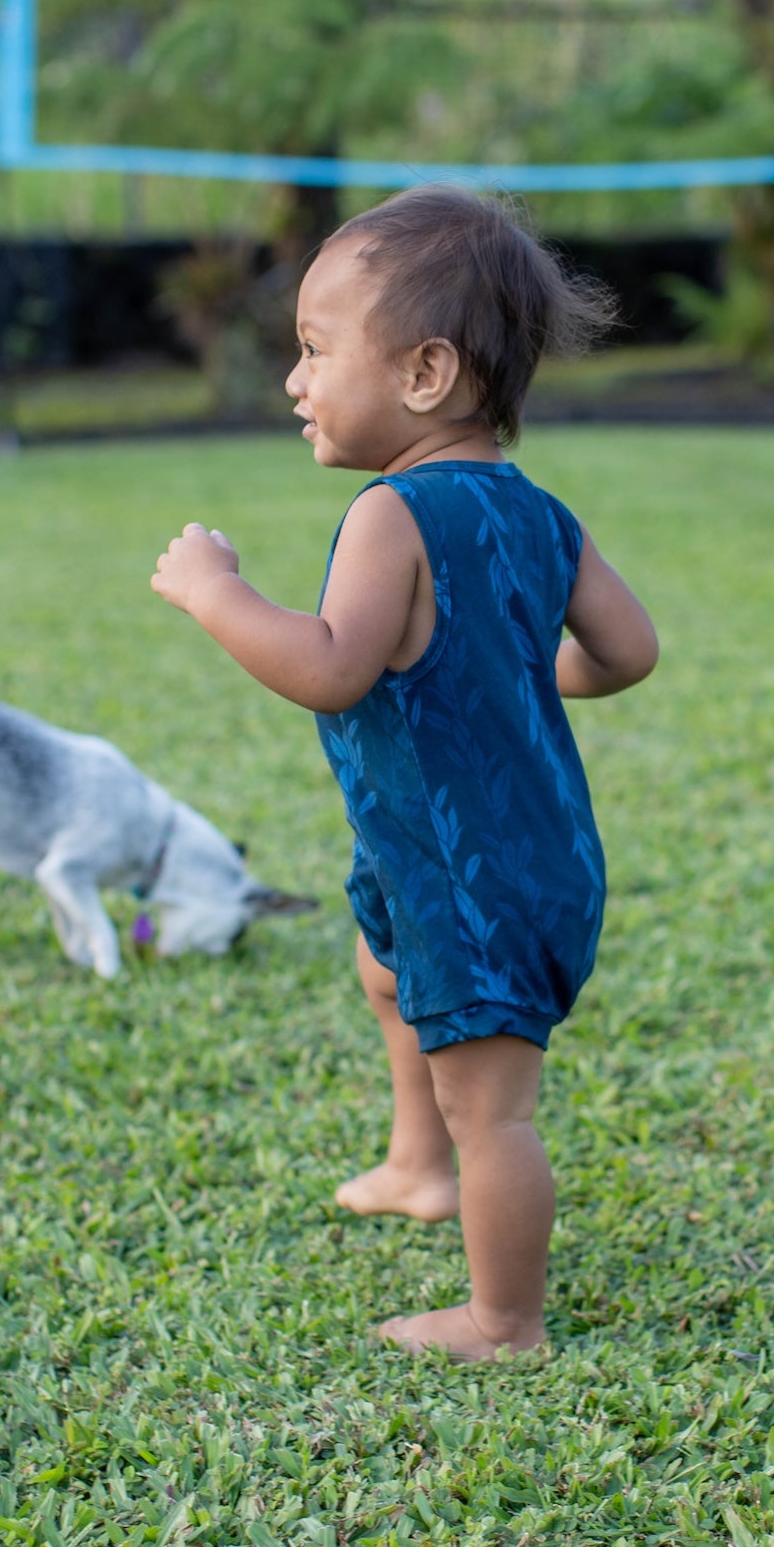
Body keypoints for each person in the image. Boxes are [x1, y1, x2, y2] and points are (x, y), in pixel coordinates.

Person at [151, 187, 658, 1359]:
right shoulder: (541, 515)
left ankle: (502, 1317)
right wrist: (519, 680)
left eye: (317, 351)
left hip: (468, 869)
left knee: (498, 1108)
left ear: (425, 374)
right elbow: (626, 652)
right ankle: (414, 1167)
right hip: (493, 850)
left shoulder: (393, 513)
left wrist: (214, 593)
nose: (295, 380)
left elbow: (330, 668)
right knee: (388, 974)